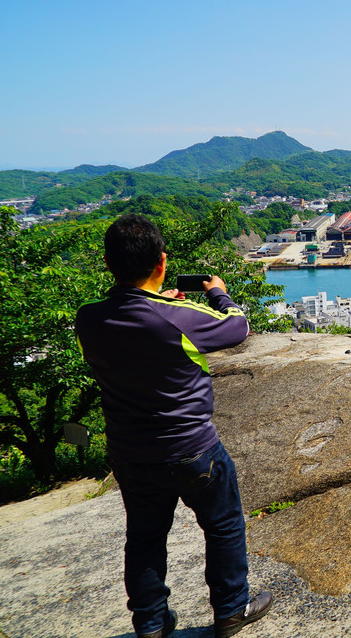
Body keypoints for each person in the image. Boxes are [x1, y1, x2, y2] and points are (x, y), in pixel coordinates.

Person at [75, 214, 272, 638]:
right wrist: (218, 293)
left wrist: (157, 302)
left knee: (144, 536)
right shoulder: (175, 315)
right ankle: (232, 609)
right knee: (222, 525)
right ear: (161, 262)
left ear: (108, 264)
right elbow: (237, 326)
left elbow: (133, 326)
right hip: (191, 447)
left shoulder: (87, 318)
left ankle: (150, 623)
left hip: (129, 451)